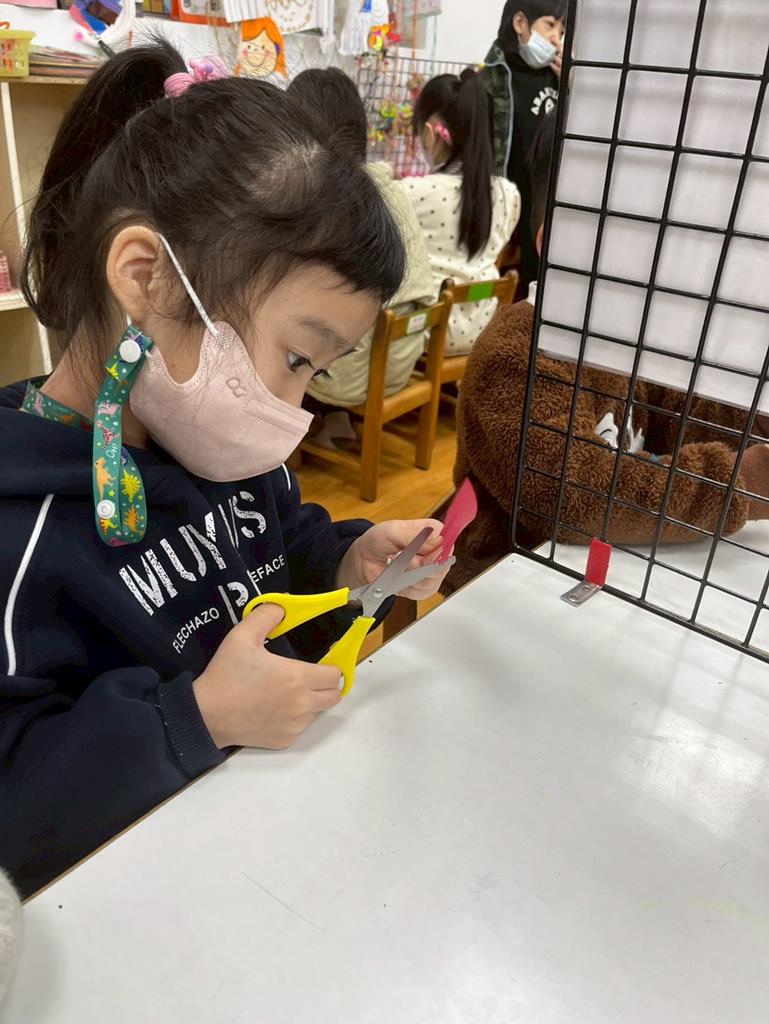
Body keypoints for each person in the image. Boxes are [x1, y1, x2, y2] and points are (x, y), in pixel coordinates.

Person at [0, 42, 451, 897]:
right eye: (295, 357)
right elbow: (17, 810)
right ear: (146, 279)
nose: (293, 408)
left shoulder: (214, 444)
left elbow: (280, 542)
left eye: (315, 373)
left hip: (275, 856)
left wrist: (347, 562)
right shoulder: (19, 534)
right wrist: (194, 719)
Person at [447, 109, 769, 593]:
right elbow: (575, 494)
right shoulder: (517, 353)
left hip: (601, 571)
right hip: (504, 580)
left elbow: (672, 414)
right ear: (561, 244)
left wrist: (752, 420)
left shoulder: (618, 335)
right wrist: (738, 482)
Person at [288, 67, 435, 440]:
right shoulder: (392, 189)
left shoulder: (327, 203)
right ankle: (334, 422)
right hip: (401, 362)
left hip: (354, 375)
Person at [400, 69, 520, 357]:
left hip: (424, 334)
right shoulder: (507, 194)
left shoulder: (412, 193)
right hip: (483, 332)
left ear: (430, 133)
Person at [481, 1, 566, 288]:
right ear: (520, 23)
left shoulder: (558, 74)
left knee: (541, 280)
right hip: (506, 200)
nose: (556, 38)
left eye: (562, 31)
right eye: (550, 25)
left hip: (544, 197)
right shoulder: (496, 75)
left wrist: (572, 85)